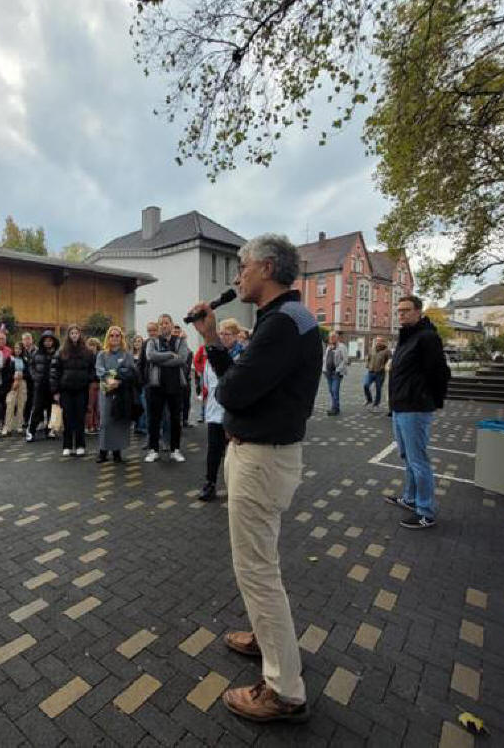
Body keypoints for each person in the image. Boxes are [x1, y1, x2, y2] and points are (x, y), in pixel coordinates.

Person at [187, 234, 322, 723]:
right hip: (269, 455)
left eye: (241, 266)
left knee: (258, 571)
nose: (237, 275)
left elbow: (235, 393)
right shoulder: (290, 318)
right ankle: (268, 641)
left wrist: (215, 348)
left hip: (262, 459)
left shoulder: (282, 325)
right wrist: (214, 342)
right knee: (262, 561)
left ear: (265, 268)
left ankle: (284, 690)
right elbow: (241, 386)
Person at [385, 295, 451, 530]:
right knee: (407, 457)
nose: (401, 314)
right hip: (401, 407)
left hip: (415, 408)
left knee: (418, 460)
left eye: (406, 310)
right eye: (399, 310)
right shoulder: (407, 337)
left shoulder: (427, 338)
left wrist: (430, 400)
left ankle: (426, 512)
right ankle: (411, 498)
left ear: (418, 312)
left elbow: (440, 373)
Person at [199, 318, 244, 501]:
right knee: (213, 450)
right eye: (221, 333)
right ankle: (210, 484)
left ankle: (236, 487)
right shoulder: (213, 355)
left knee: (234, 453)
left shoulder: (242, 356)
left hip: (233, 413)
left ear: (236, 336)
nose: (223, 337)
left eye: (227, 334)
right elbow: (207, 381)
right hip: (214, 411)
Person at [144, 313, 189, 463]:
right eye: (161, 323)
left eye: (167, 323)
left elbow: (182, 358)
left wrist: (161, 360)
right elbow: (150, 356)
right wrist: (170, 354)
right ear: (158, 326)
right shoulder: (152, 341)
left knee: (176, 419)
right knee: (154, 419)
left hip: (175, 385)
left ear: (171, 324)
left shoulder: (180, 341)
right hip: (156, 385)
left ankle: (175, 450)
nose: (164, 325)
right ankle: (153, 450)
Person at [50, 324, 94, 457]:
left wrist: (88, 379)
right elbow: (54, 372)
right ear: (68, 335)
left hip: (81, 389)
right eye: (72, 333)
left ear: (80, 335)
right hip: (66, 390)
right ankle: (67, 445)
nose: (74, 335)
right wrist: (55, 391)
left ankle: (80, 445)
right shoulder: (61, 351)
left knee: (80, 418)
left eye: (76, 333)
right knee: (67, 418)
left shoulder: (87, 352)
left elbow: (93, 369)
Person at [95, 326, 137, 463]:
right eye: (112, 335)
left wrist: (119, 381)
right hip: (106, 392)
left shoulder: (127, 354)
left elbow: (132, 372)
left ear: (121, 338)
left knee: (119, 421)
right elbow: (99, 369)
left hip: (122, 392)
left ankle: (117, 452)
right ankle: (103, 452)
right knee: (106, 422)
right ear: (108, 337)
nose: (114, 338)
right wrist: (109, 379)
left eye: (117, 335)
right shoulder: (102, 354)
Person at [25, 330, 59, 441]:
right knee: (36, 409)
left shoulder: (58, 354)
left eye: (50, 341)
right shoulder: (37, 353)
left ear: (53, 341)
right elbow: (31, 366)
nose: (48, 343)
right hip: (40, 385)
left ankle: (50, 430)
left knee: (52, 409)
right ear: (42, 342)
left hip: (52, 386)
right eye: (46, 341)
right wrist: (35, 377)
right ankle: (31, 431)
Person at [2, 349, 27, 435]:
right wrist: (13, 378)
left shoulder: (25, 359)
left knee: (21, 404)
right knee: (10, 404)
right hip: (11, 383)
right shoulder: (10, 359)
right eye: (16, 348)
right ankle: (8, 426)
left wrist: (23, 375)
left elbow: (29, 372)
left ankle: (19, 426)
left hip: (23, 382)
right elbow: (5, 372)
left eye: (20, 348)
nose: (18, 350)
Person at [323, 331, 348, 415]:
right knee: (331, 390)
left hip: (337, 373)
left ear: (337, 338)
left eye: (333, 337)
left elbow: (345, 360)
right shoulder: (329, 347)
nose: (332, 338)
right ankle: (335, 407)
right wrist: (324, 369)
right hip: (328, 372)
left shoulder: (342, 347)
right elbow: (325, 358)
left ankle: (335, 408)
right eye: (330, 337)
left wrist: (338, 370)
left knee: (334, 390)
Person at [16, 332, 37, 427]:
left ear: (32, 340)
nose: (26, 341)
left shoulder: (37, 351)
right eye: (24, 339)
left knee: (34, 400)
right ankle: (25, 419)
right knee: (25, 400)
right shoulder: (21, 351)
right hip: (24, 379)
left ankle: (34, 420)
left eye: (28, 339)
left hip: (35, 379)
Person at [364, 337, 392, 408]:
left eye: (379, 341)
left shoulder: (387, 351)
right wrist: (367, 364)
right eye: (377, 341)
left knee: (378, 388)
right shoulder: (372, 349)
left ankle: (376, 403)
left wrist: (386, 366)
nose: (378, 342)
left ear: (383, 342)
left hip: (380, 373)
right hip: (370, 372)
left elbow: (390, 360)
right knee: (366, 385)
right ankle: (369, 399)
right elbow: (368, 358)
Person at [130, 335, 148, 435]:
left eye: (139, 341)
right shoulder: (130, 356)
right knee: (136, 405)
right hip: (133, 385)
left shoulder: (146, 355)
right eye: (135, 341)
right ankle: (137, 425)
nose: (137, 343)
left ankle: (142, 426)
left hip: (143, 383)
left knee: (143, 405)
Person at [84, 337, 102, 435]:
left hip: (100, 383)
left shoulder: (101, 355)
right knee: (90, 405)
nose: (92, 347)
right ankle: (89, 426)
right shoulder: (87, 357)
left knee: (98, 406)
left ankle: (96, 424)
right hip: (91, 383)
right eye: (90, 345)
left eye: (93, 345)